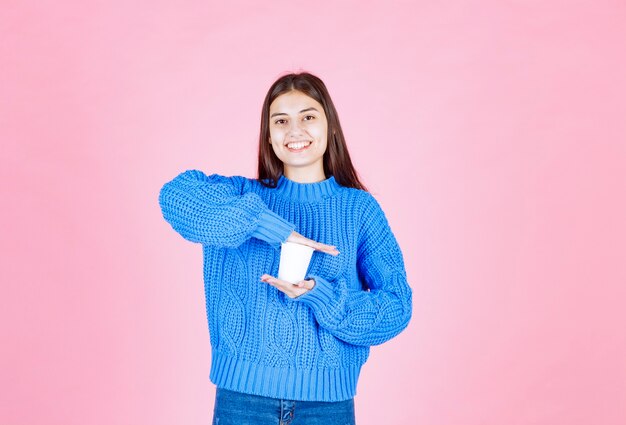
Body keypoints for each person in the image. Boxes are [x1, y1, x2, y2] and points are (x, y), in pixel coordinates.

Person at [158, 71, 413, 425]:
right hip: (242, 402)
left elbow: (397, 306)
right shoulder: (242, 197)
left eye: (308, 117)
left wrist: (321, 296)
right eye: (281, 121)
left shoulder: (359, 210)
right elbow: (175, 196)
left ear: (331, 127)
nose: (295, 130)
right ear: (269, 136)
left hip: (327, 407)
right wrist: (272, 228)